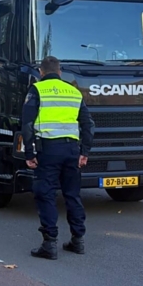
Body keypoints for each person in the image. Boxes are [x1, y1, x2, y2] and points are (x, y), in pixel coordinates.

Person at [21, 55, 94, 259]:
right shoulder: (74, 91)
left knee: (46, 193)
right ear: (60, 72)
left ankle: (49, 243)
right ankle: (77, 240)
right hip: (72, 151)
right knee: (72, 195)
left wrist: (29, 153)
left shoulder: (37, 90)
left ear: (41, 72)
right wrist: (84, 152)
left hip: (49, 151)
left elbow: (27, 124)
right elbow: (88, 125)